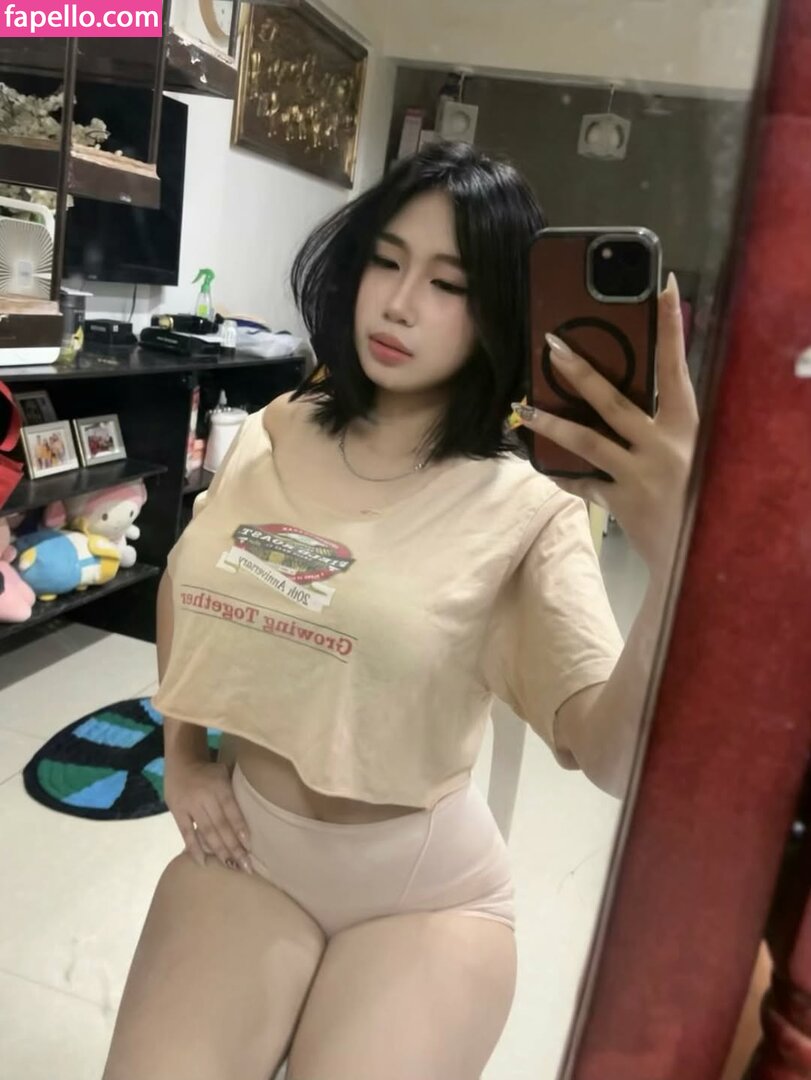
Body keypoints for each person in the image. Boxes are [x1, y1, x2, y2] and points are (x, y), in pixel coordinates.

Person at [102, 142, 698, 1080]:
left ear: (498, 310)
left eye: (448, 283)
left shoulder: (528, 505)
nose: (400, 303)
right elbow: (187, 585)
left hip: (424, 896)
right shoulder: (276, 427)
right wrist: (183, 757)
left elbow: (611, 759)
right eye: (387, 261)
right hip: (249, 849)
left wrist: (673, 563)